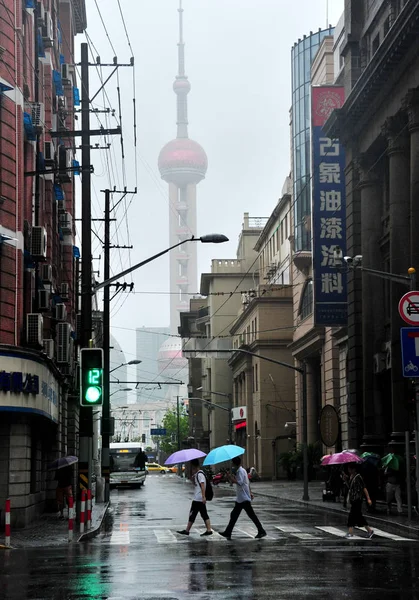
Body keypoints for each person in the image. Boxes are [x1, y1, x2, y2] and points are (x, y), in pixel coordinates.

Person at [219, 456, 266, 540]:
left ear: (234, 463)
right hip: (242, 498)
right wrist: (250, 492)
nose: (232, 464)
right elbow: (247, 483)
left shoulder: (240, 471)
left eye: (232, 463)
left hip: (243, 498)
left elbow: (240, 482)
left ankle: (261, 530)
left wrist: (231, 478)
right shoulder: (242, 470)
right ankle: (228, 532)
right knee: (234, 515)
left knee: (250, 515)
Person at [177, 458, 212, 536]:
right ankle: (208, 530)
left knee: (193, 514)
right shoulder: (199, 474)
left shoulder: (199, 474)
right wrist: (193, 479)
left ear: (193, 465)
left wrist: (203, 497)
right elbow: (198, 485)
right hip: (199, 498)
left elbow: (203, 486)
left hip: (198, 499)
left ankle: (187, 530)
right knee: (203, 514)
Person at [346, 463, 374, 539]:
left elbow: (364, 488)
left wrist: (368, 498)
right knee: (358, 516)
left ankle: (351, 532)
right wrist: (345, 479)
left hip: (357, 500)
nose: (348, 470)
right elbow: (350, 488)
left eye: (350, 469)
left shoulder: (358, 477)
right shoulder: (352, 476)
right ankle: (369, 531)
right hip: (354, 499)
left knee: (352, 516)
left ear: (354, 469)